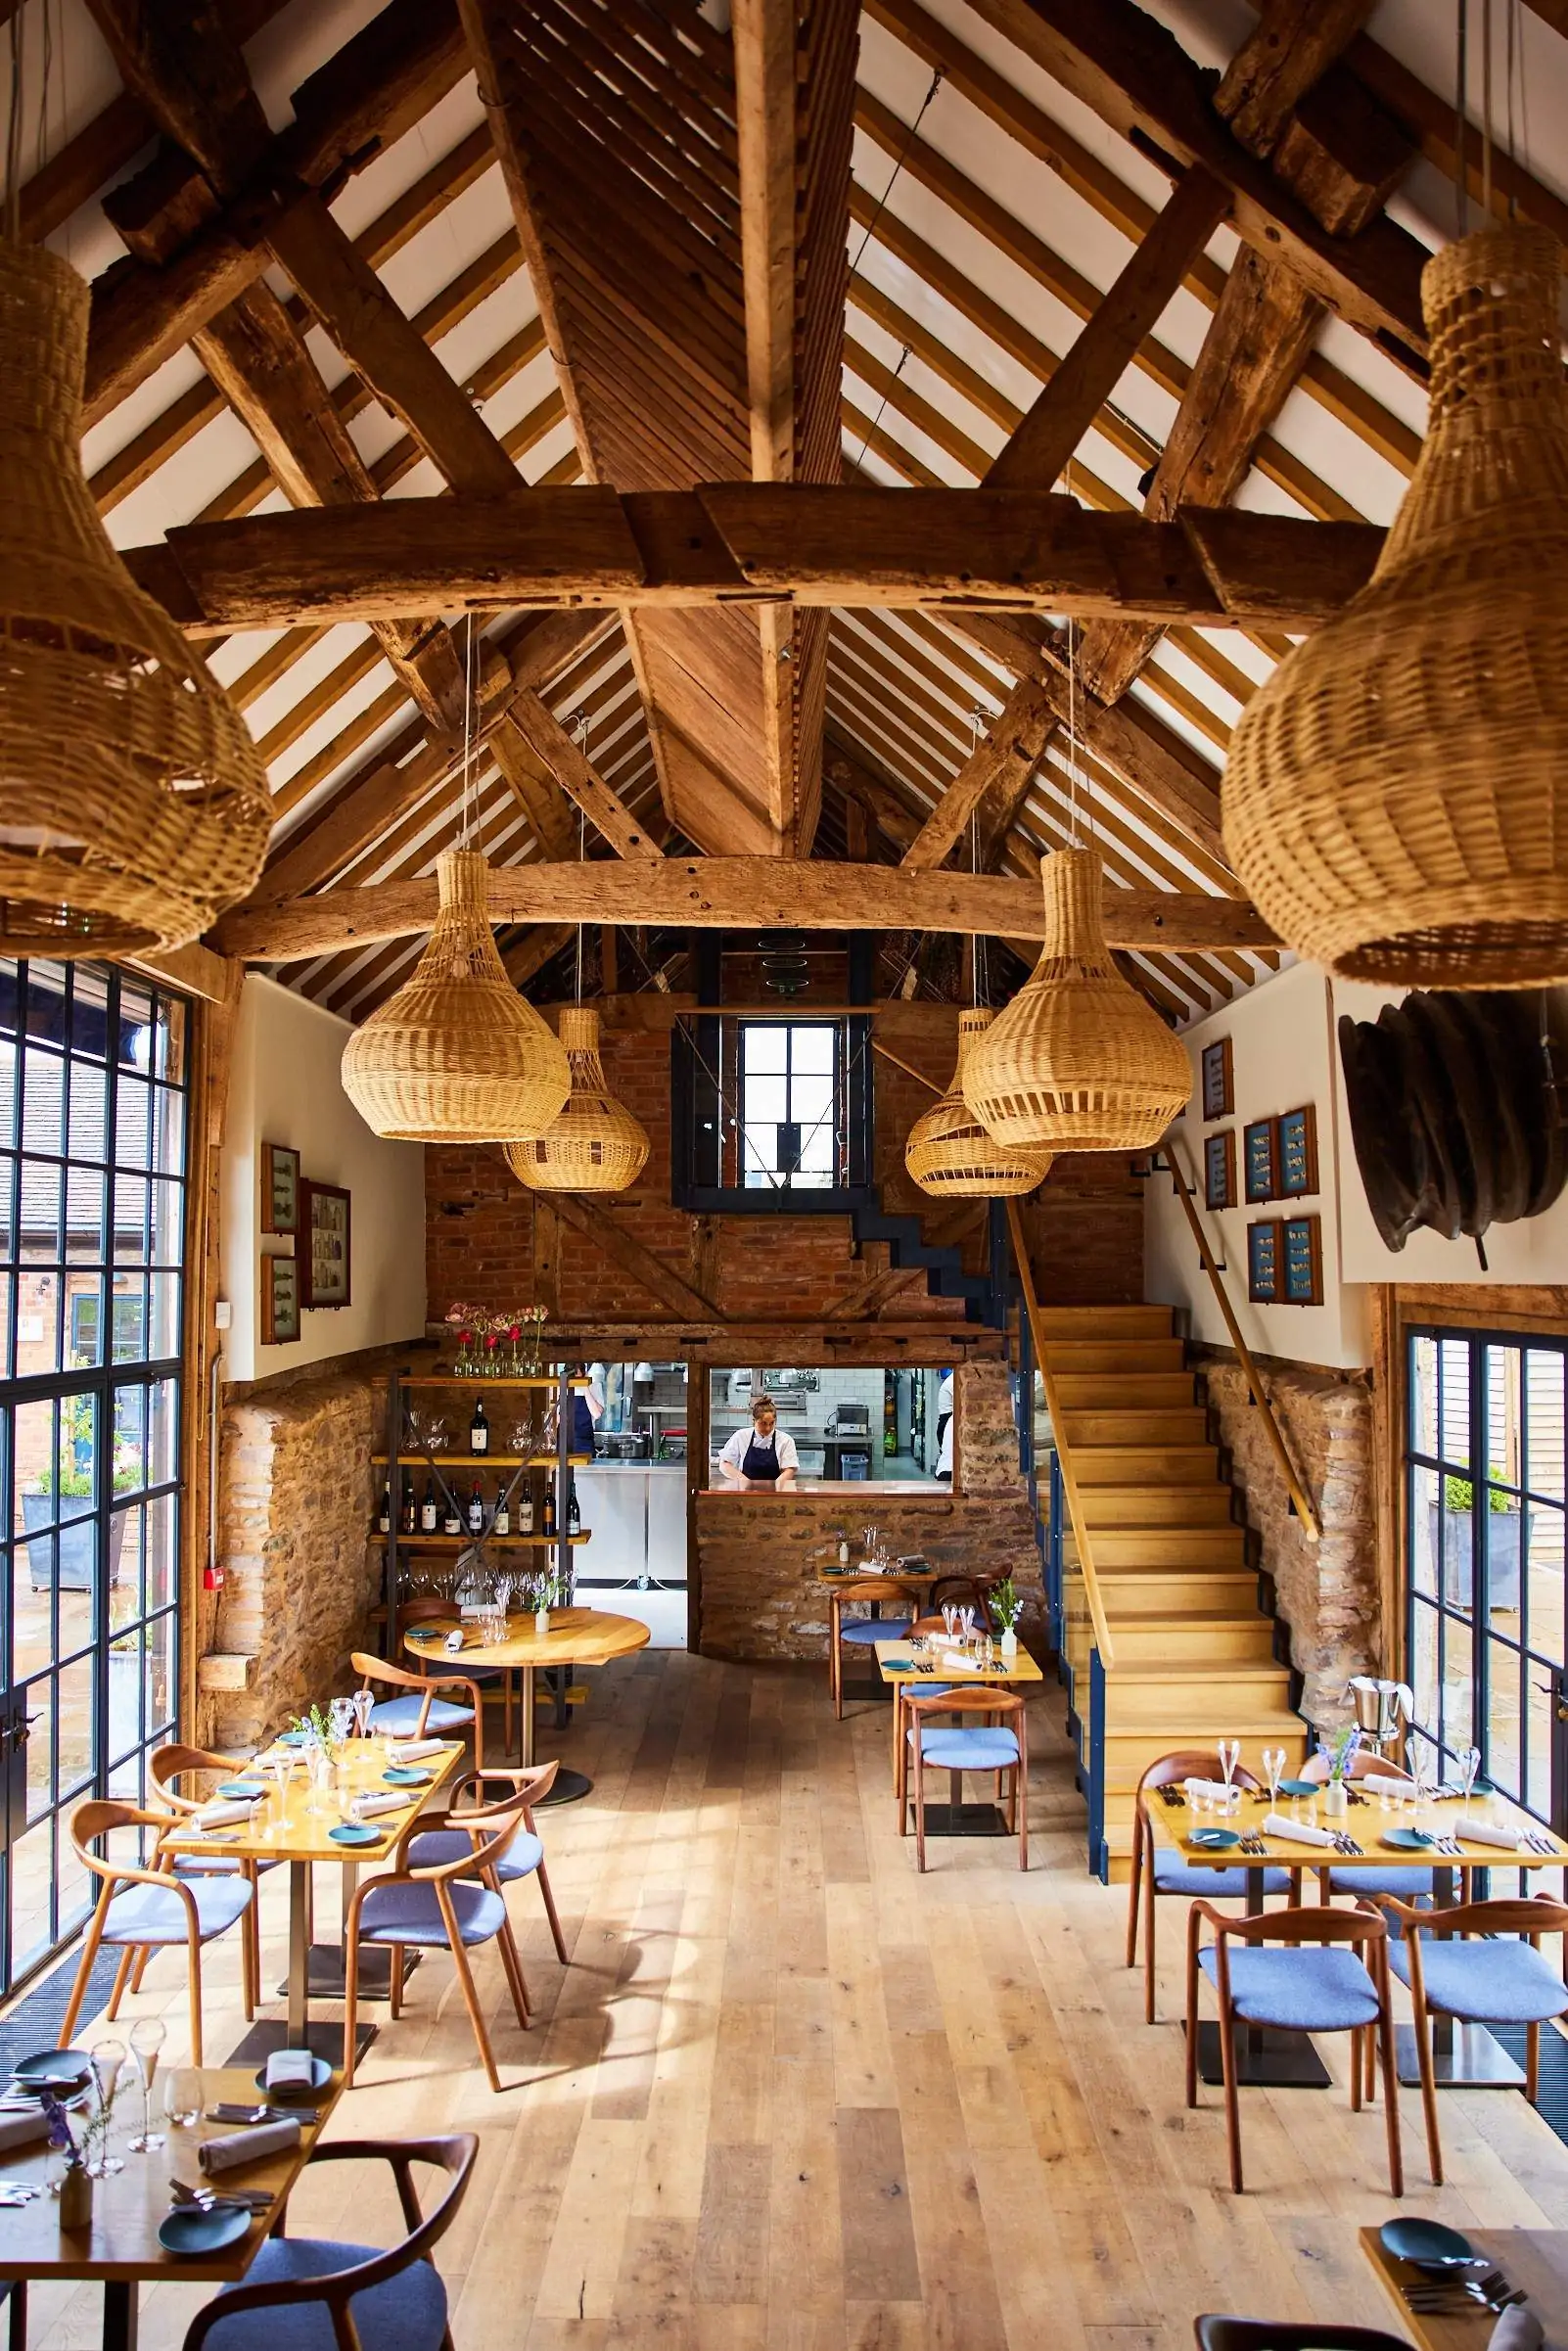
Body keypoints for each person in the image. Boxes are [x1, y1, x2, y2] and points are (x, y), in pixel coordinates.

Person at [717, 1396, 799, 1490]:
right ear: (754, 1421)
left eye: (772, 1423)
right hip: (746, 1493)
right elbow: (725, 1464)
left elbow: (789, 1469)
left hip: (775, 1493)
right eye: (763, 1423)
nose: (768, 1428)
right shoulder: (741, 1436)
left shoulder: (785, 1440)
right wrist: (744, 1481)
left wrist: (777, 1486)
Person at [934, 1367, 953, 1462]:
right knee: (949, 1456)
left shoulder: (950, 1380)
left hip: (946, 1419)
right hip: (947, 1420)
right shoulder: (952, 1381)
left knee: (946, 1454)